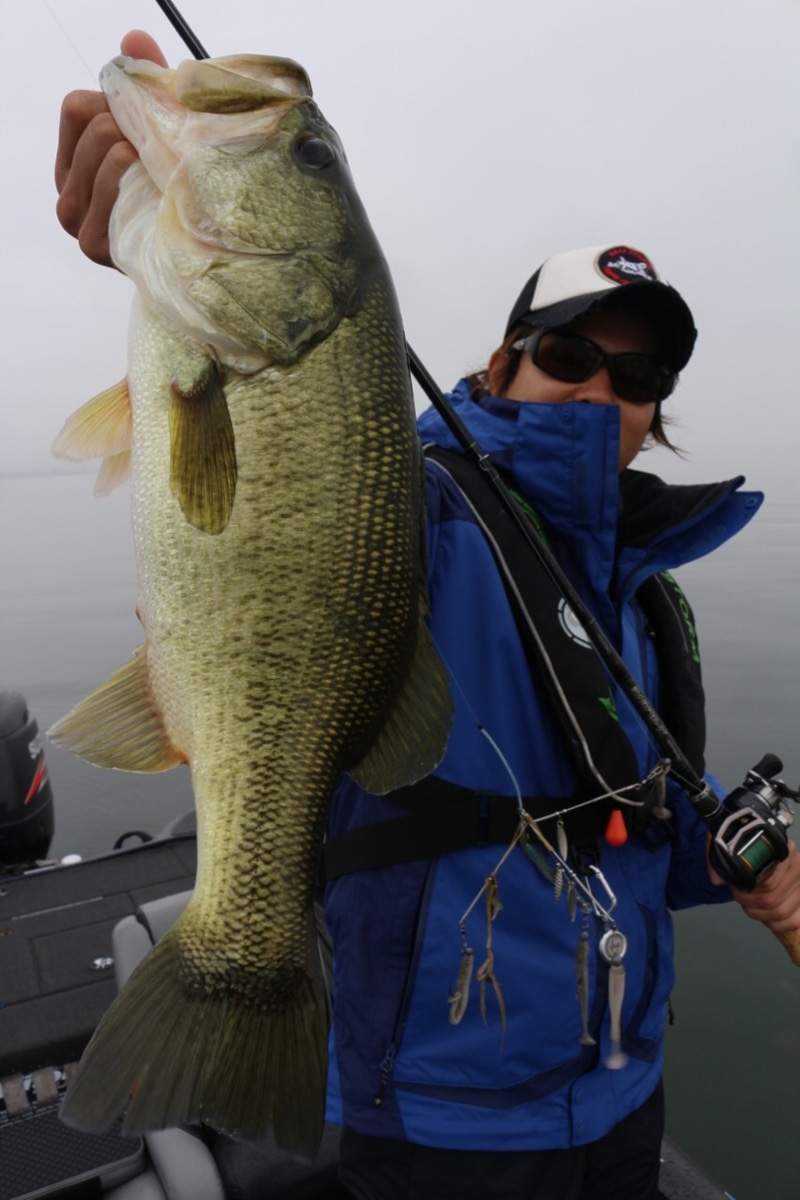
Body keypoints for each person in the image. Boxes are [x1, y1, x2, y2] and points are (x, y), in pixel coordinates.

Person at [56, 32, 800, 1200]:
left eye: (639, 376)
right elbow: (298, 483)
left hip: (618, 1091)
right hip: (440, 1124)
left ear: (656, 413)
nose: (602, 389)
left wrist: (741, 868)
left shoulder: (645, 597)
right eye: (568, 352)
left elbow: (629, 830)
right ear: (500, 367)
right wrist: (151, 240)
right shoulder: (422, 506)